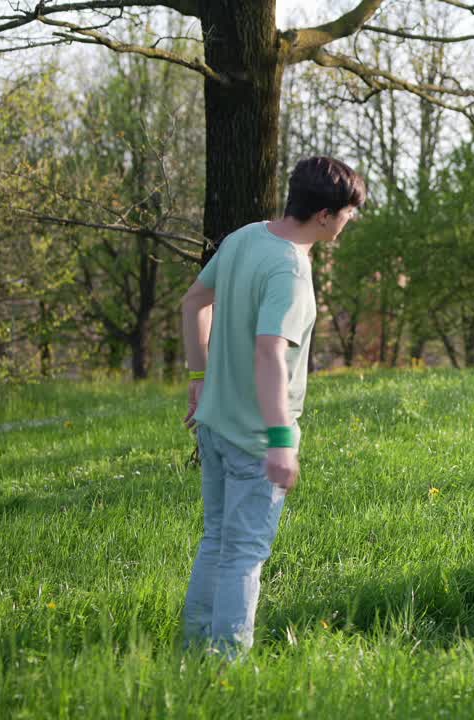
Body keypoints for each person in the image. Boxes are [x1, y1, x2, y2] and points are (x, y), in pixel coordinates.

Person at [179, 156, 365, 656]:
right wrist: (281, 441)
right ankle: (225, 669)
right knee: (243, 554)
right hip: (252, 441)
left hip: (214, 426)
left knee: (217, 543)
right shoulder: (290, 270)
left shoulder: (243, 238)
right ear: (324, 215)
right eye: (349, 211)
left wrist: (199, 379)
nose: (350, 220)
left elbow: (194, 300)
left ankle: (195, 655)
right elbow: (269, 352)